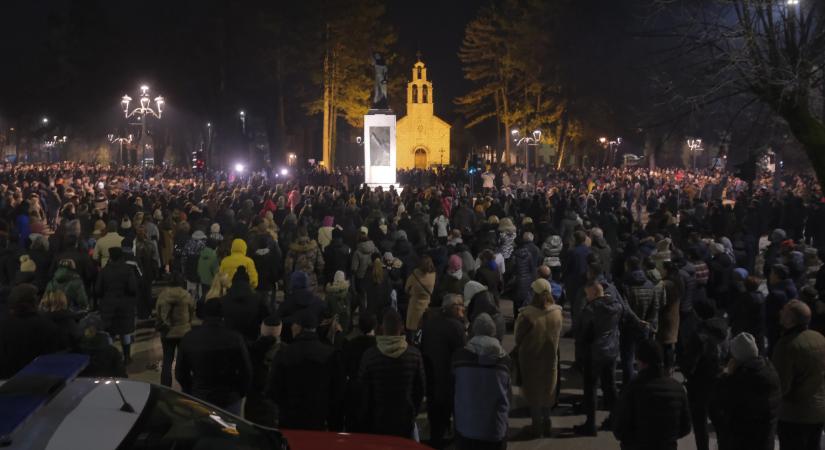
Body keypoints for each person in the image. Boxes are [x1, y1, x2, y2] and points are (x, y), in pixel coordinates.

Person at [176, 300, 253, 416]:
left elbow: (180, 373)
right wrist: (239, 393)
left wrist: (191, 391)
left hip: (200, 396)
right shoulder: (235, 338)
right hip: (229, 397)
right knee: (230, 431)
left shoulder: (189, 338)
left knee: (202, 431)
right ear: (223, 314)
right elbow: (246, 371)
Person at [269, 311, 344, 430]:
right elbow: (337, 390)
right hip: (319, 418)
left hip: (289, 419)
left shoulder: (284, 354)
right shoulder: (330, 354)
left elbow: (273, 390)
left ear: (298, 328)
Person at [612, 339, 692, 450]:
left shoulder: (632, 388)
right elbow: (686, 427)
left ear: (642, 362)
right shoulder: (678, 388)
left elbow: (620, 430)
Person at [358, 309, 426, 439]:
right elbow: (420, 388)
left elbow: (362, 389)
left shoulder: (370, 355)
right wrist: (413, 411)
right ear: (401, 328)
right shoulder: (414, 354)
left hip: (377, 416)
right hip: (404, 415)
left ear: (382, 328)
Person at [772, 299, 825, 450]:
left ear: (791, 319)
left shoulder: (787, 345)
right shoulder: (819, 337)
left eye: (784, 310)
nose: (780, 312)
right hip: (819, 410)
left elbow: (781, 386)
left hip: (795, 415)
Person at [452, 313, 511, 450]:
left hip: (465, 426)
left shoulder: (460, 357)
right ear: (493, 331)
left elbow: (454, 388)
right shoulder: (505, 361)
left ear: (473, 331)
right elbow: (507, 395)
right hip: (494, 427)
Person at [514, 278, 563, 439]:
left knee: (533, 393)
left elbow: (517, 338)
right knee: (548, 390)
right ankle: (547, 423)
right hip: (550, 359)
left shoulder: (526, 314)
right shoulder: (557, 312)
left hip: (530, 359)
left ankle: (536, 426)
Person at [717, 332, 781, 450]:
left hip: (744, 441)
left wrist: (726, 375)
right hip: (765, 439)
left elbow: (723, 401)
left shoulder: (743, 378)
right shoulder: (769, 370)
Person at [575, 280, 621, 436]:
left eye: (588, 294)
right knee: (610, 387)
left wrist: (580, 352)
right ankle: (615, 420)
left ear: (594, 293)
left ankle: (590, 424)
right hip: (611, 350)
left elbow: (583, 333)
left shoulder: (590, 310)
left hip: (594, 353)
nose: (586, 297)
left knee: (591, 388)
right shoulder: (616, 306)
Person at [420, 293, 467, 449]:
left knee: (435, 416)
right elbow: (461, 353)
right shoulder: (456, 326)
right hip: (449, 378)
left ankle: (436, 440)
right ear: (452, 308)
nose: (463, 308)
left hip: (432, 375)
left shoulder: (430, 323)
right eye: (460, 305)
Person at [0, 284, 66, 377]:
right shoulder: (48, 327)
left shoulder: (3, 326)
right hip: (39, 383)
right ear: (35, 302)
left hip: (6, 383)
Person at [96, 247, 138, 364]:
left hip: (108, 305)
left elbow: (98, 290)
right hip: (124, 306)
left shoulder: (104, 271)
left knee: (110, 332)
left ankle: (110, 357)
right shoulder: (127, 270)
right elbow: (132, 288)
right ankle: (127, 357)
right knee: (124, 331)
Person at [154, 272, 195, 387]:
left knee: (167, 361)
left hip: (167, 332)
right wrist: (188, 324)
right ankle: (186, 387)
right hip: (183, 332)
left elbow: (158, 313)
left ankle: (165, 387)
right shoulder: (186, 295)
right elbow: (192, 311)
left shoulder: (163, 295)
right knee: (184, 361)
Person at [220, 266, 269, 345]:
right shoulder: (258, 298)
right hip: (252, 339)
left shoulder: (224, 299)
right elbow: (266, 317)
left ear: (233, 282)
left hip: (230, 341)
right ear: (248, 282)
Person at [405, 255, 436, 334]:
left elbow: (406, 288)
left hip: (414, 305)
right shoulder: (433, 275)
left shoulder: (415, 275)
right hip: (426, 304)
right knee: (423, 328)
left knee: (412, 329)